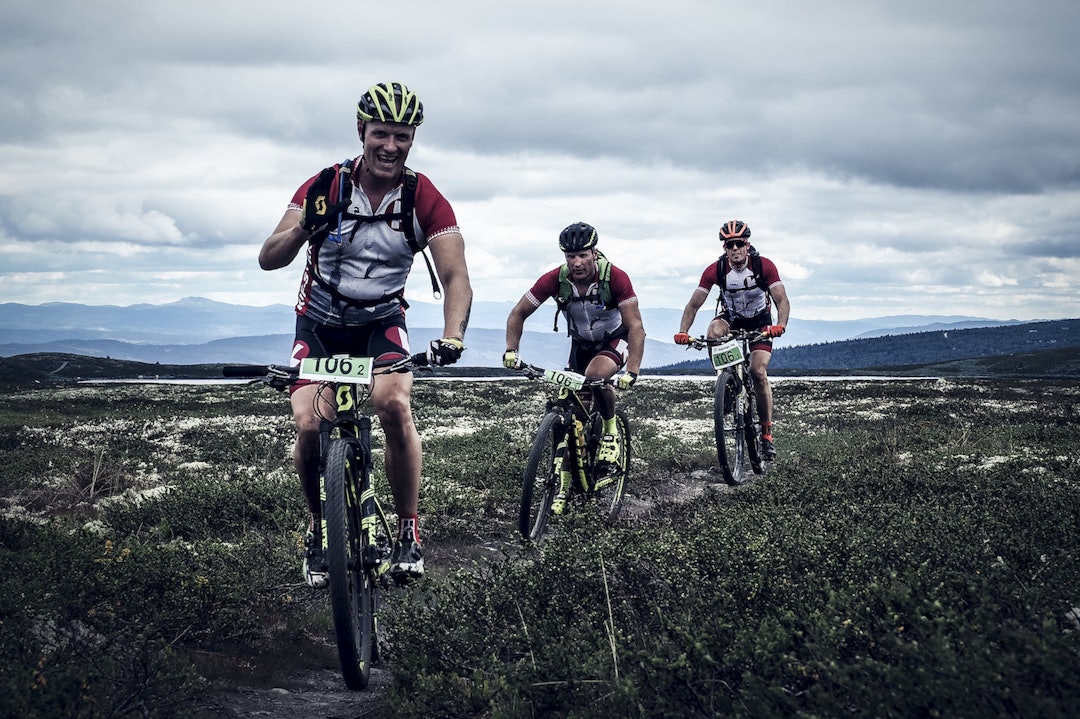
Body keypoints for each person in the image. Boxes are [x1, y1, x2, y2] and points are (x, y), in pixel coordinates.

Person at [258, 82, 473, 587]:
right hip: (319, 323)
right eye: (381, 134)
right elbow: (269, 257)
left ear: (412, 137)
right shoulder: (325, 185)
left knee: (395, 406)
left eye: (402, 136)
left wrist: (452, 334)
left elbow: (456, 276)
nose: (390, 146)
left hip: (381, 323)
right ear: (361, 132)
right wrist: (303, 230)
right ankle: (318, 527)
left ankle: (408, 530)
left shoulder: (424, 197)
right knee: (310, 424)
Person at [503, 222, 645, 511]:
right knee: (569, 411)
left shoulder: (615, 278)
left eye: (582, 255)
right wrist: (511, 351)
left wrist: (632, 371)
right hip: (580, 345)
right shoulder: (555, 279)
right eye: (570, 256)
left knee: (596, 376)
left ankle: (609, 433)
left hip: (613, 341)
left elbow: (636, 328)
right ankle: (566, 482)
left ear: (594, 252)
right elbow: (518, 312)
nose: (577, 262)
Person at [673, 219, 790, 459]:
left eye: (739, 244)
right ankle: (726, 383)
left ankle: (766, 435)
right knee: (713, 332)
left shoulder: (763, 266)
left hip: (760, 321)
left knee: (758, 372)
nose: (734, 249)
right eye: (729, 245)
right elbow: (694, 304)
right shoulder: (715, 270)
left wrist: (780, 326)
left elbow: (782, 300)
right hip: (732, 318)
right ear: (724, 248)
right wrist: (683, 331)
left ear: (747, 245)